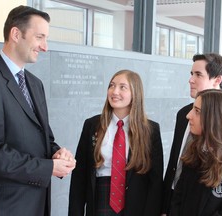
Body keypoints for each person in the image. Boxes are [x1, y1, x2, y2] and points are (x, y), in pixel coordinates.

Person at [0, 5, 76, 216]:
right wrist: (47, 168)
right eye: (39, 37)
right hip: (3, 208)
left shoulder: (35, 84)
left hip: (35, 204)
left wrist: (57, 154)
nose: (44, 47)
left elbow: (43, 139)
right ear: (16, 34)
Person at [162, 53, 222, 216]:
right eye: (191, 74)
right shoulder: (183, 114)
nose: (191, 80)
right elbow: (176, 159)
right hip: (178, 198)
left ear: (217, 79)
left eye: (198, 74)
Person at [68, 69, 164, 216]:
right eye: (111, 85)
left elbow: (155, 180)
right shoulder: (92, 125)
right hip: (100, 199)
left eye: (122, 87)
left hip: (136, 203)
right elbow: (79, 176)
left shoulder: (150, 130)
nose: (115, 91)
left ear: (135, 93)